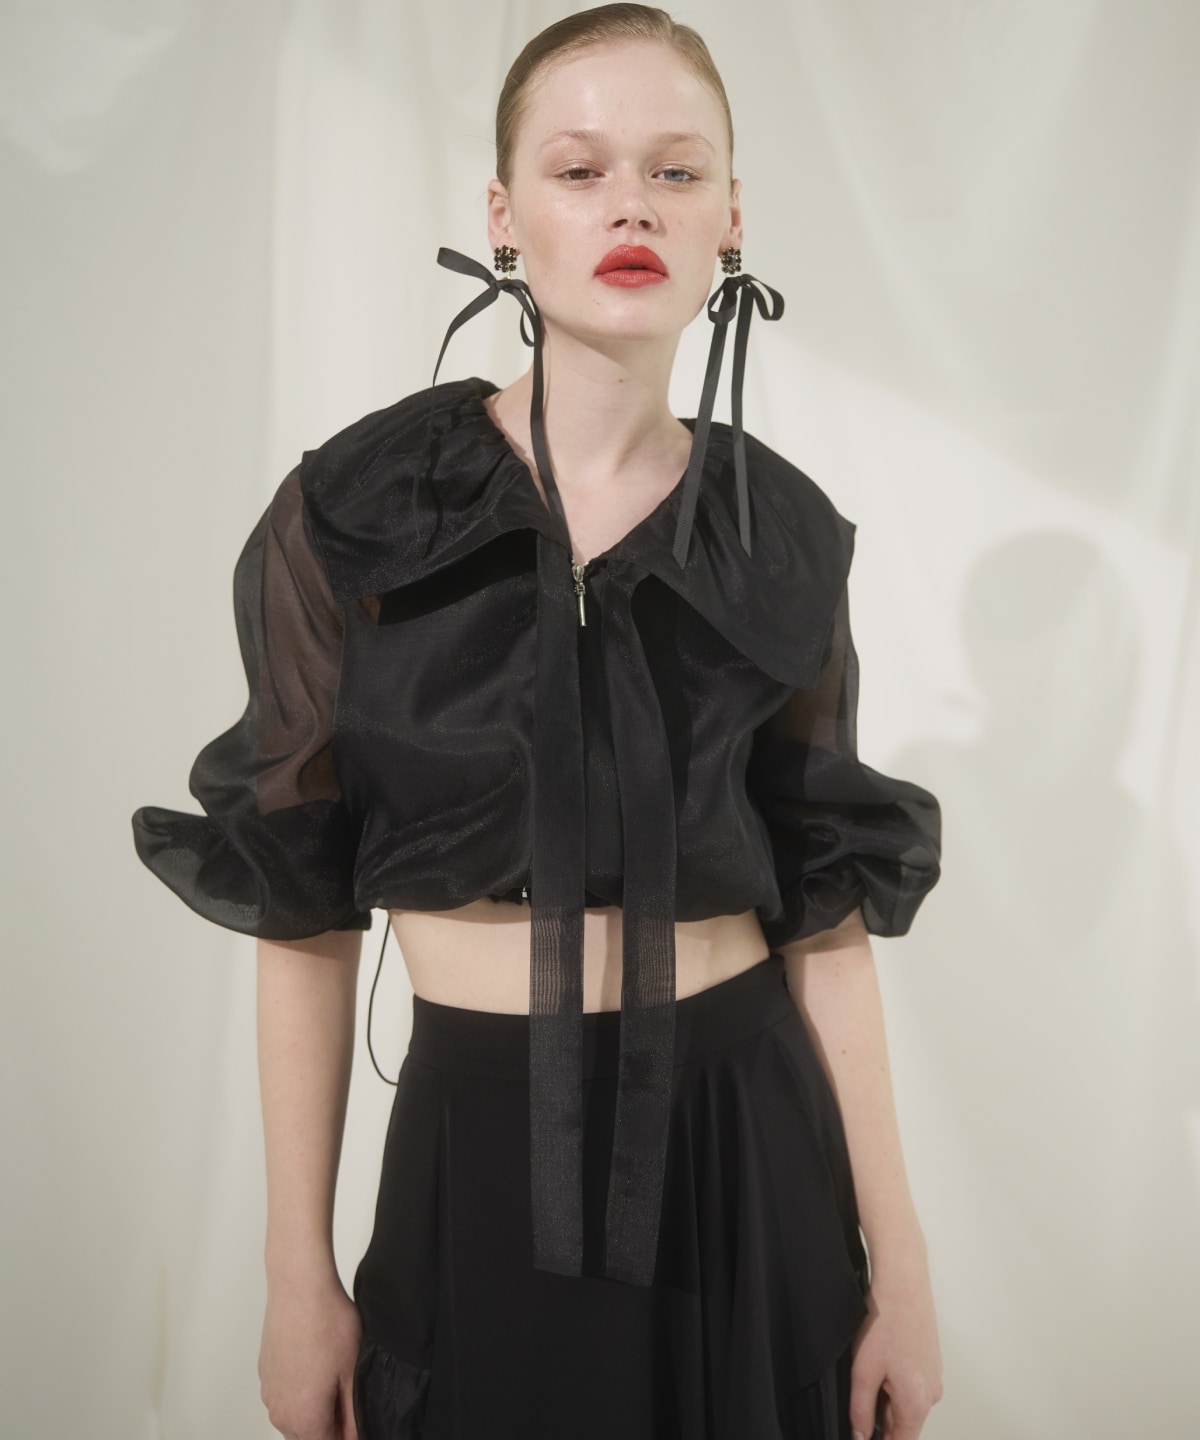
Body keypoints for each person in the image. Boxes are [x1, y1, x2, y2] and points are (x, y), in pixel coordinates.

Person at [132, 6, 945, 1438]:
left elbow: (825, 913)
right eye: (580, 170)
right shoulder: (360, 511)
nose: (633, 204)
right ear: (504, 217)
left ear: (732, 218)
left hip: (747, 1149)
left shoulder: (776, 534)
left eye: (677, 171)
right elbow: (299, 905)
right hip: (473, 1154)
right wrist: (294, 1273)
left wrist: (908, 1266)